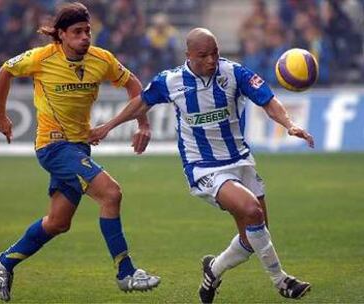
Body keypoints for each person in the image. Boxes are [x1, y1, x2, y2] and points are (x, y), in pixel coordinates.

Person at [89, 28, 314, 303]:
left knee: (253, 237)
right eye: (203, 55)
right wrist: (107, 126)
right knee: (252, 211)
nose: (211, 60)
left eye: (215, 53)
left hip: (241, 160)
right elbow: (140, 104)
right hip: (204, 167)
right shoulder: (171, 81)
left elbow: (268, 101)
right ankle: (281, 281)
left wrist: (290, 125)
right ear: (188, 56)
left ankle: (213, 270)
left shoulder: (233, 73)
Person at [0, 2, 160, 302]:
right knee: (111, 193)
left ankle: (5, 261)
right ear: (61, 36)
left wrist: (142, 124)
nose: (85, 38)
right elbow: (6, 70)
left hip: (79, 146)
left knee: (58, 222)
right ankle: (126, 273)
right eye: (77, 32)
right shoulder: (41, 58)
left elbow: (134, 85)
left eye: (88, 31)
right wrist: (0, 115)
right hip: (52, 146)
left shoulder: (101, 59)